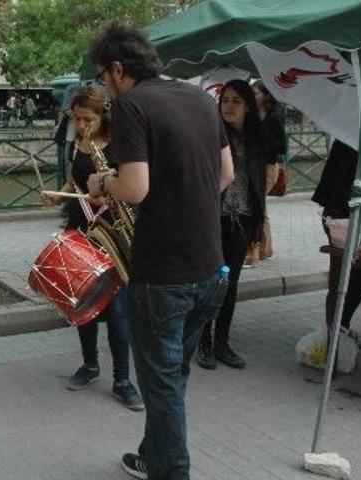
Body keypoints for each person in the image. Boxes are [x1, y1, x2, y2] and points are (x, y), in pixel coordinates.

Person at [86, 23, 234, 480]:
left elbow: (134, 186)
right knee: (169, 378)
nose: (103, 89)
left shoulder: (132, 104)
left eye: (102, 77)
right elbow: (226, 174)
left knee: (163, 383)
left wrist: (101, 182)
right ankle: (154, 454)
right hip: (211, 268)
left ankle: (172, 471)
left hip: (164, 273)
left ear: (117, 68)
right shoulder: (202, 99)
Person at [40, 86, 143, 411]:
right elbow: (75, 182)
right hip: (82, 228)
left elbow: (134, 188)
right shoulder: (80, 143)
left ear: (103, 115)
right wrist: (59, 194)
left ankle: (123, 380)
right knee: (81, 298)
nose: (82, 125)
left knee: (117, 310)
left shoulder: (122, 144)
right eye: (78, 118)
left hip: (112, 232)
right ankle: (90, 364)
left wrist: (109, 195)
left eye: (88, 119)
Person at [196, 79, 267, 371]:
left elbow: (259, 186)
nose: (229, 106)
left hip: (242, 221)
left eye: (236, 101)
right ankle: (203, 342)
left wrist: (258, 228)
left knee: (230, 285)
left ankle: (223, 342)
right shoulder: (211, 136)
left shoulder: (255, 140)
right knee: (208, 283)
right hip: (213, 221)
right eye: (225, 100)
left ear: (248, 106)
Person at [312, 141, 361, 336]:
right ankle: (336, 333)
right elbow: (337, 186)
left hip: (356, 217)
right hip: (343, 219)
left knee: (360, 273)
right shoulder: (351, 138)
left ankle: (340, 329)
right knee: (345, 277)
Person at [246, 81, 287, 265]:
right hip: (253, 165)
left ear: (265, 95)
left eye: (256, 93)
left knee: (257, 204)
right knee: (259, 206)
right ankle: (265, 249)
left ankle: (259, 251)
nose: (253, 96)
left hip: (268, 166)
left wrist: (260, 144)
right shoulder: (252, 115)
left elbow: (282, 146)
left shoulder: (274, 115)